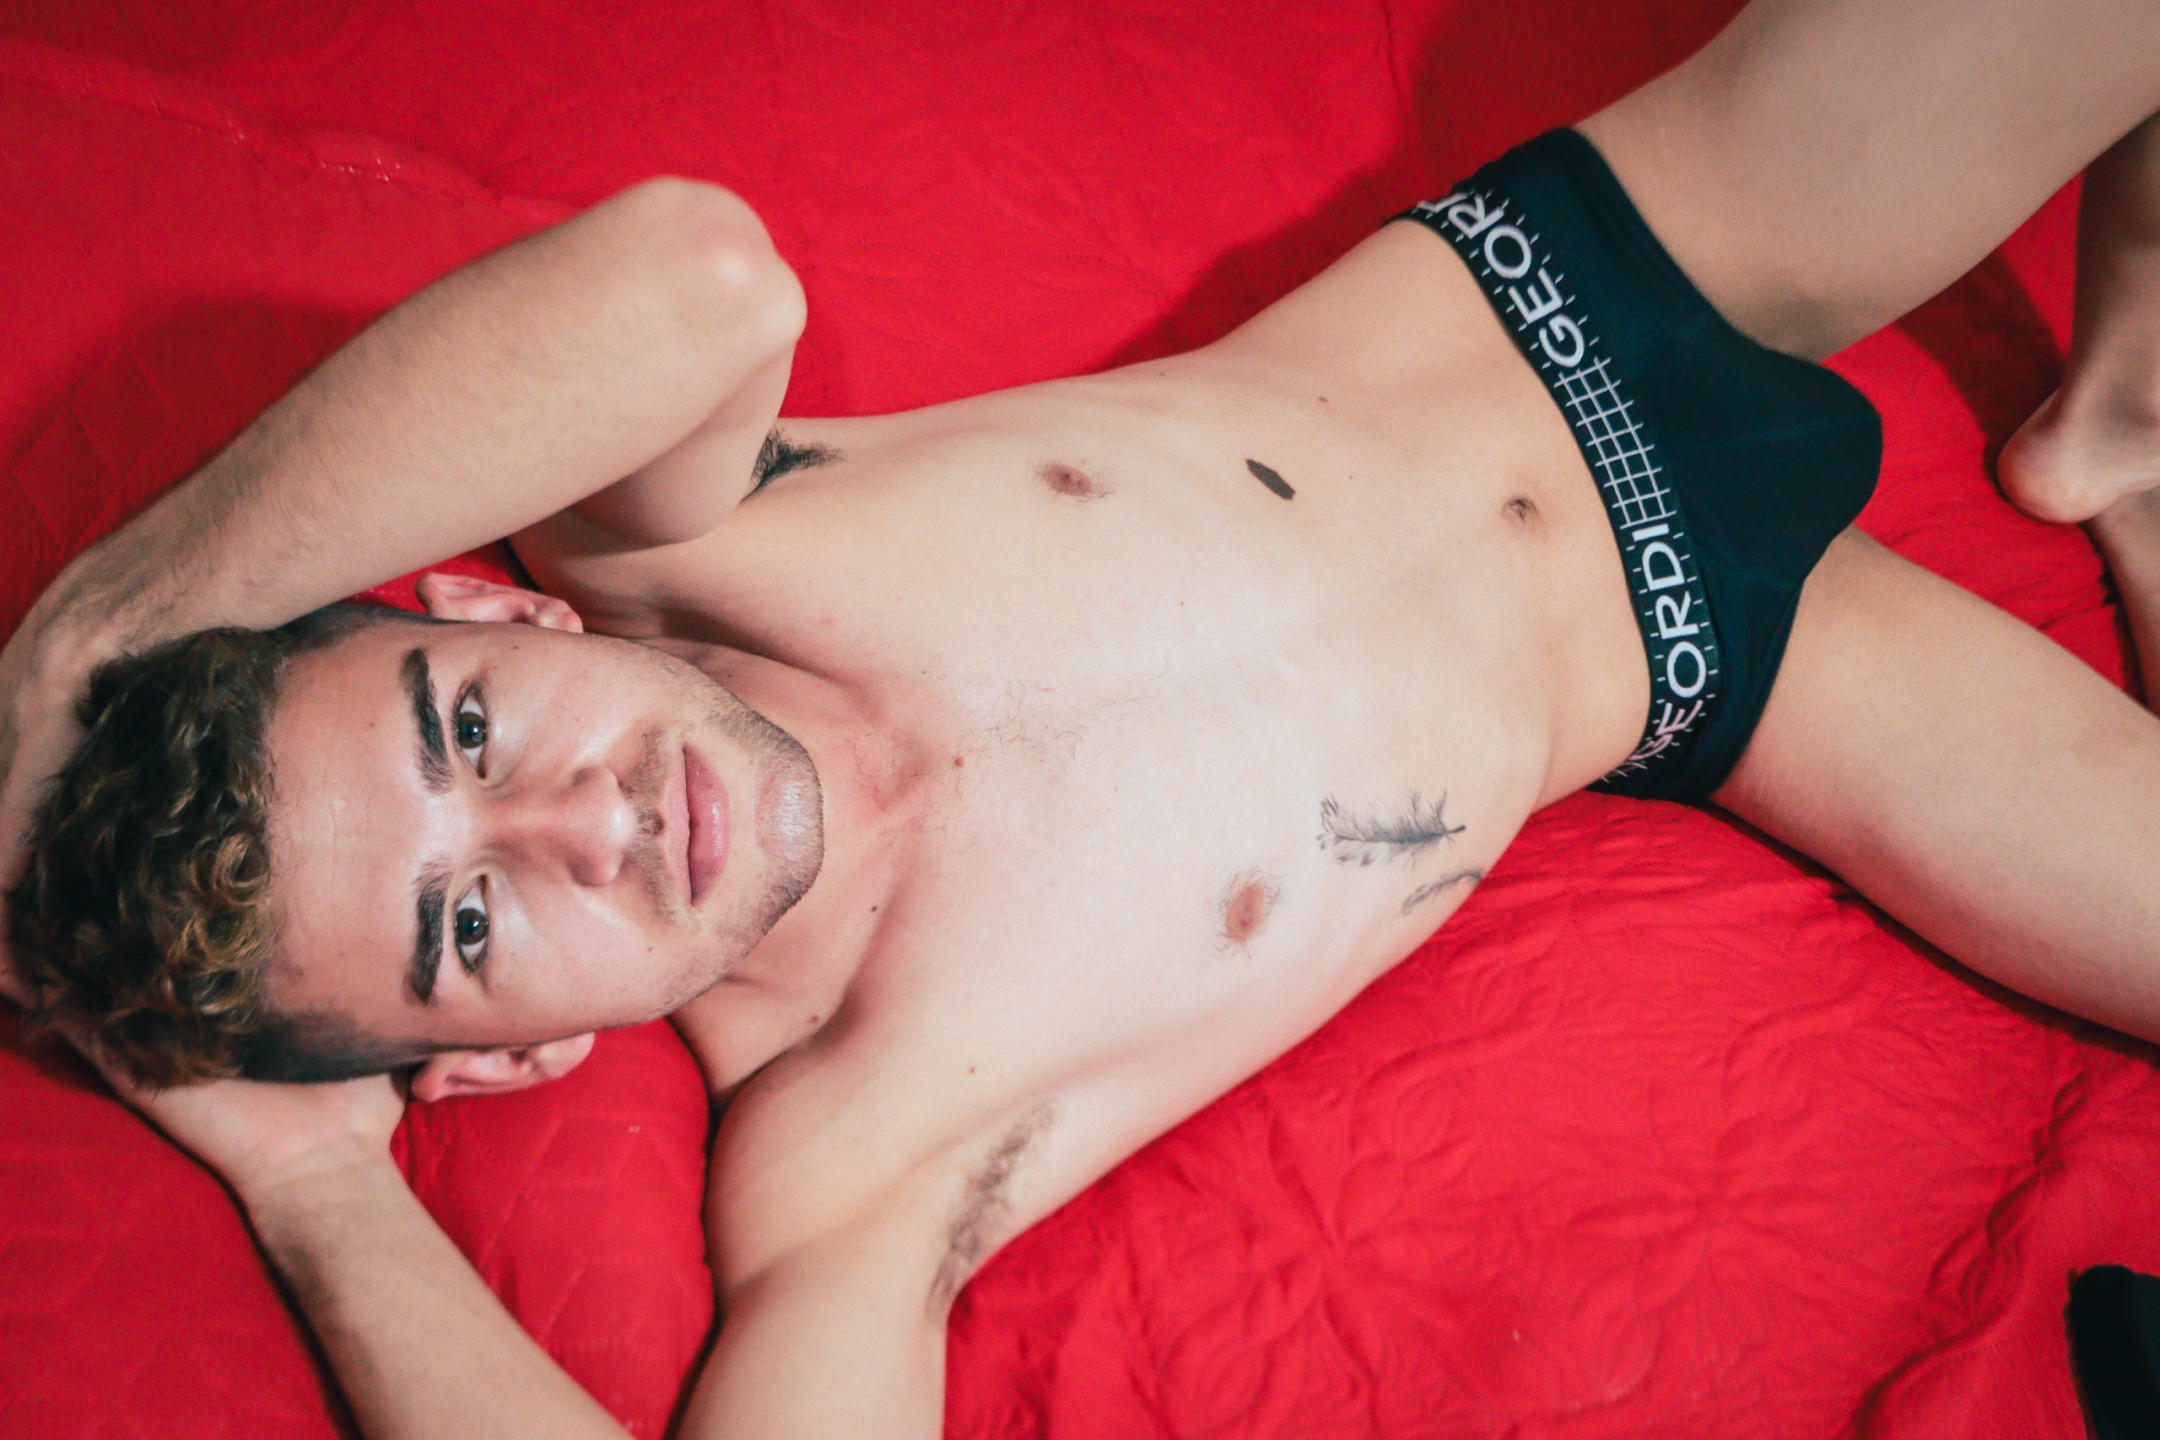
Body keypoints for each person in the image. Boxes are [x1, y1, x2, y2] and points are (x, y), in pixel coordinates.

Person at [2, 0, 2158, 1432]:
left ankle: (2120, 407)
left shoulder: (671, 545)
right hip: (1721, 667)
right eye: (469, 928)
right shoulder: (855, 1162)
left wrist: (111, 621)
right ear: (508, 1063)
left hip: (1606, 275)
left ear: (488, 602)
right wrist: (319, 1190)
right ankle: (2127, 447)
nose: (580, 821)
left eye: (466, 729)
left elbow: (692, 275)